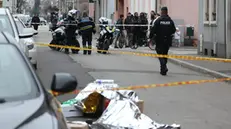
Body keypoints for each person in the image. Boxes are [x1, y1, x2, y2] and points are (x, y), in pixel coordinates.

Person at [149, 7, 176, 76]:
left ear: (162, 12)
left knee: (159, 53)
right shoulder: (170, 21)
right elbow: (173, 30)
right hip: (167, 40)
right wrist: (169, 33)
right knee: (165, 54)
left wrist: (150, 37)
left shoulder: (158, 20)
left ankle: (163, 66)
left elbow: (153, 30)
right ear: (167, 12)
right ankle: (163, 69)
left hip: (159, 40)